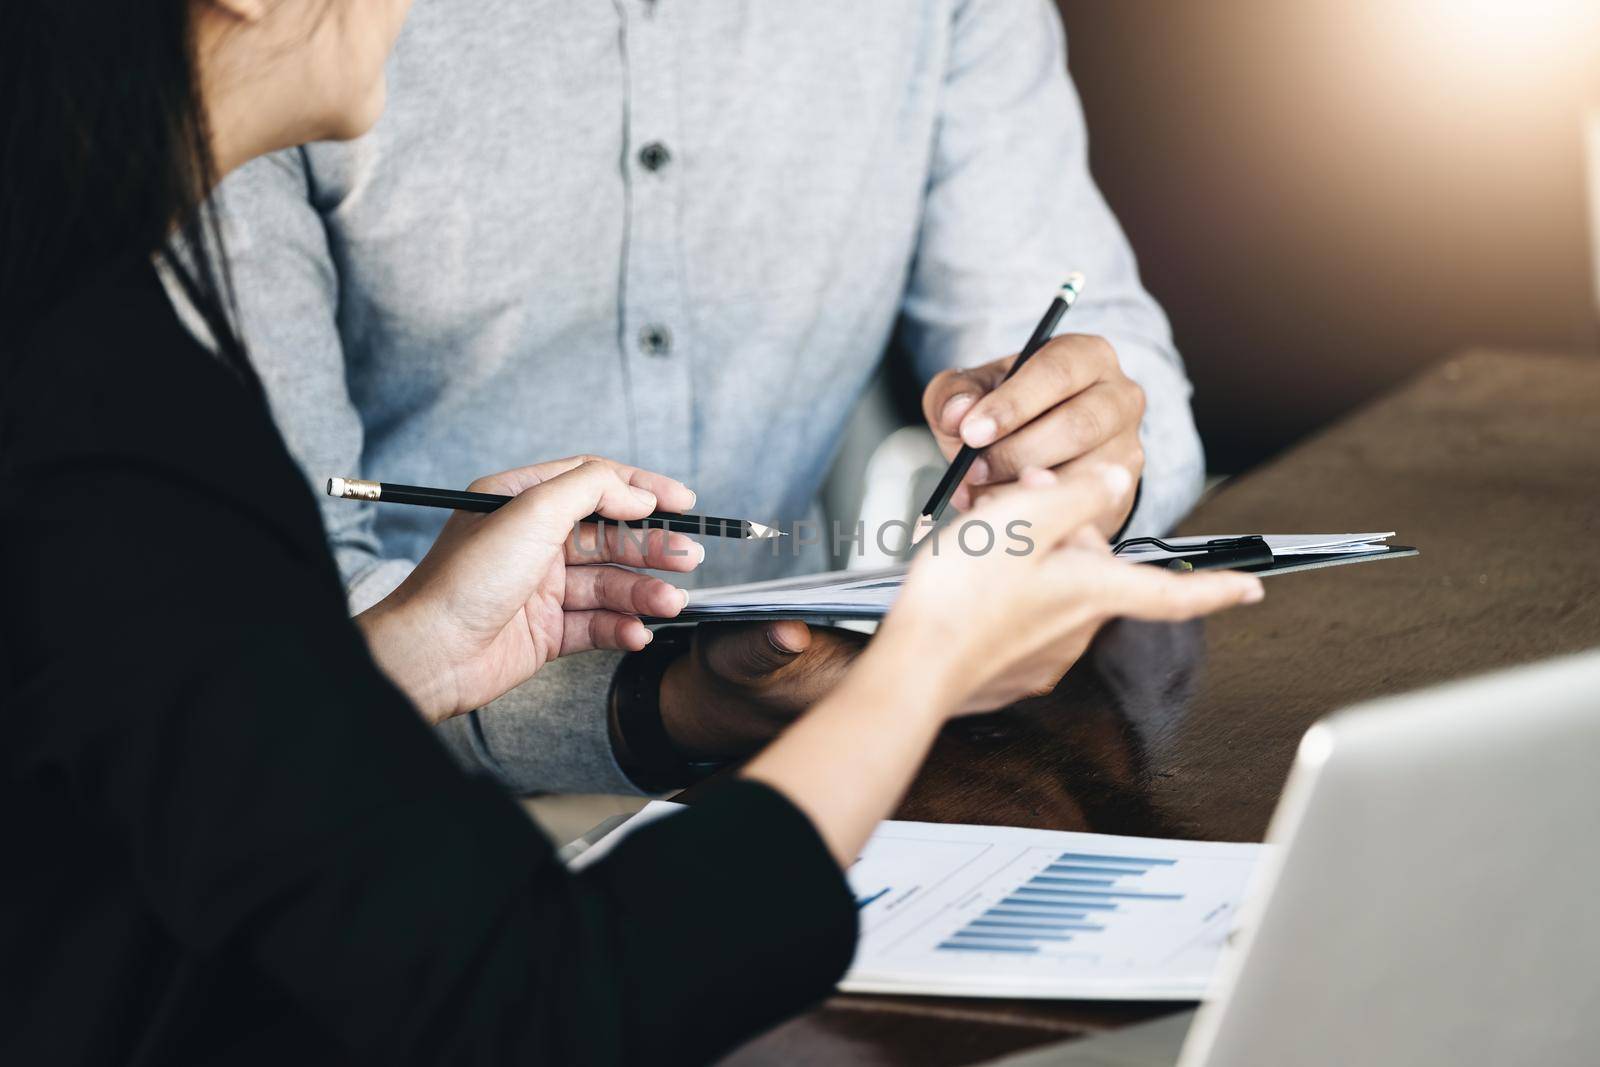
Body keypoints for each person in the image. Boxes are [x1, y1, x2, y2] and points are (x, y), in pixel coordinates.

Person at [1, 2, 1263, 1063]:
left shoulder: (94, 349)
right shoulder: (128, 409)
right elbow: (541, 997)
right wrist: (922, 658)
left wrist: (405, 651)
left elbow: (159, 720)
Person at [217, 0, 1208, 796]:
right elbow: (236, 621)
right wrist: (671, 701)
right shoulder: (278, 42)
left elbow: (1116, 367)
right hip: (377, 801)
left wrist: (1087, 461)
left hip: (829, 751)